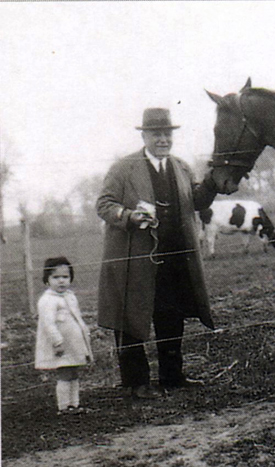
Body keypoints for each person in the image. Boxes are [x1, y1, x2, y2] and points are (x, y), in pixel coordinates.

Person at [96, 107, 221, 399]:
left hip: (175, 257)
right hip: (134, 261)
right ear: (145, 136)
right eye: (156, 134)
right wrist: (128, 216)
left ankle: (172, 377)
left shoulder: (180, 167)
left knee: (171, 317)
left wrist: (213, 182)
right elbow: (103, 204)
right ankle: (136, 383)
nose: (163, 139)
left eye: (167, 134)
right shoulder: (123, 168)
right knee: (131, 318)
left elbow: (197, 201)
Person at [35, 257, 93, 413]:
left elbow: (77, 318)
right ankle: (64, 406)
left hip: (73, 343)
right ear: (47, 280)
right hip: (61, 345)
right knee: (65, 373)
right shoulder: (47, 300)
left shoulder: (69, 296)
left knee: (73, 372)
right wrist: (57, 342)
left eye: (65, 277)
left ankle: (75, 404)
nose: (61, 281)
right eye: (55, 277)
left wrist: (84, 334)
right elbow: (48, 324)